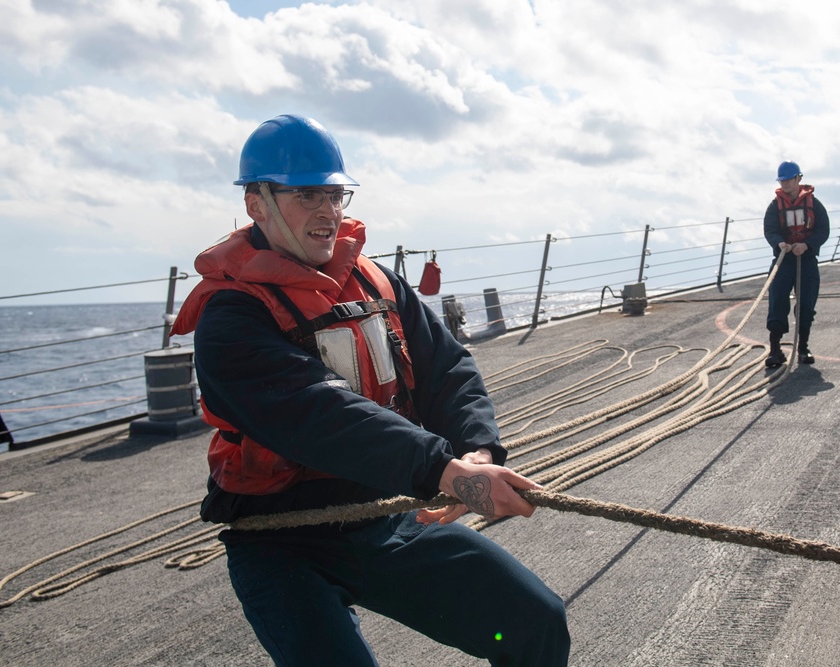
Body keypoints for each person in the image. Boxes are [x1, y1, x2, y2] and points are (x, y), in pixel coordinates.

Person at [170, 114, 570, 666]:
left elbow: (446, 370)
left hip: (385, 513)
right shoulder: (231, 316)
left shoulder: (375, 282)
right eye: (308, 193)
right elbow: (318, 411)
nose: (328, 211)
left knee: (533, 623)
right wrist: (445, 472)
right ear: (256, 203)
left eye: (336, 194)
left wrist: (475, 450)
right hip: (283, 542)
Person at [762, 161, 830, 368]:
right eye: (782, 181)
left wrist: (807, 245)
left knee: (806, 305)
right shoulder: (775, 206)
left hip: (806, 261)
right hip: (783, 261)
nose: (785, 184)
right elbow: (770, 229)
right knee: (777, 303)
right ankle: (775, 349)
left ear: (798, 179)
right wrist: (779, 243)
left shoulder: (814, 204)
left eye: (788, 180)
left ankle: (803, 347)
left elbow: (823, 230)